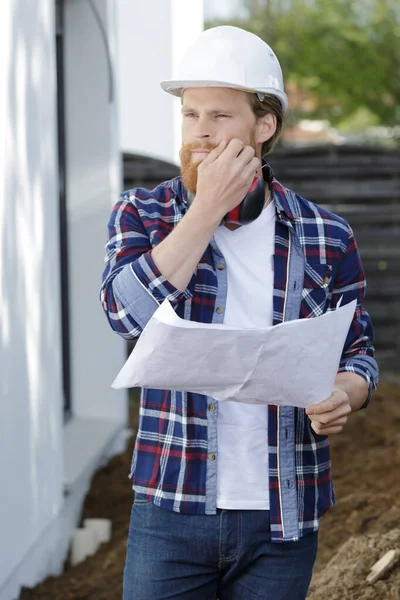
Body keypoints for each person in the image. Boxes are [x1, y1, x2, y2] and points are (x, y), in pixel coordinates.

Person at [100, 25, 379, 600]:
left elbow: (358, 355)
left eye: (219, 117)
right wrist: (205, 209)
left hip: (283, 511)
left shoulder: (326, 235)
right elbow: (123, 316)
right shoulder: (142, 213)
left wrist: (341, 395)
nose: (200, 132)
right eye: (190, 115)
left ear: (265, 125)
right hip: (171, 505)